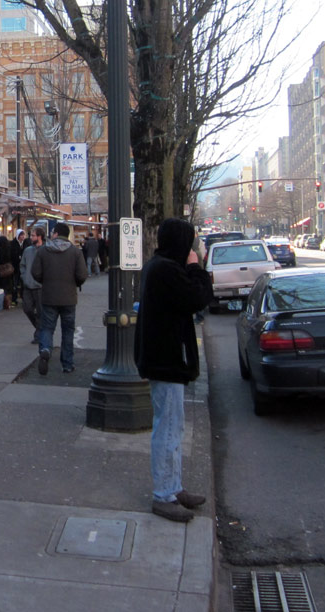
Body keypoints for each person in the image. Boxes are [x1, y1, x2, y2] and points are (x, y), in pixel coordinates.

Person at [136, 218, 214, 523]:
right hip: (166, 359)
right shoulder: (166, 269)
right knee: (168, 429)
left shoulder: (161, 266)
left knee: (173, 427)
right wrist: (196, 267)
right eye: (190, 243)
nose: (192, 249)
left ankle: (174, 487)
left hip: (166, 358)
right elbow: (197, 298)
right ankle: (164, 494)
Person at [31, 221, 87, 375]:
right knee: (68, 331)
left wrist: (45, 281)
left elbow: (35, 272)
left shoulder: (43, 251)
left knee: (47, 328)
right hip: (69, 297)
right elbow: (82, 275)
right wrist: (75, 283)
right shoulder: (76, 252)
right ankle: (67, 364)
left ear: (55, 233)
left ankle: (45, 349)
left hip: (49, 296)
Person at [18, 226, 45, 344]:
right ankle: (40, 329)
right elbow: (22, 265)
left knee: (40, 312)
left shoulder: (46, 250)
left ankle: (39, 334)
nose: (30, 237)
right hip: (28, 285)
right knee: (27, 308)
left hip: (40, 287)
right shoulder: (28, 250)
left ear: (39, 237)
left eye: (33, 235)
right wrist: (24, 277)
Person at [0, 233, 14, 308]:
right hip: (8, 271)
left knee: (2, 286)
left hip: (2, 271)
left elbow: (0, 261)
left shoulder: (0, 250)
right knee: (8, 286)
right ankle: (8, 302)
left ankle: (4, 302)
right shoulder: (9, 248)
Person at [10, 228, 27, 304]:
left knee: (23, 283)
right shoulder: (13, 244)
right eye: (21, 235)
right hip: (15, 267)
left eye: (23, 235)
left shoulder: (24, 243)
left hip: (22, 267)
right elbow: (13, 255)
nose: (23, 237)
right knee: (15, 283)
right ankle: (14, 298)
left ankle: (23, 298)